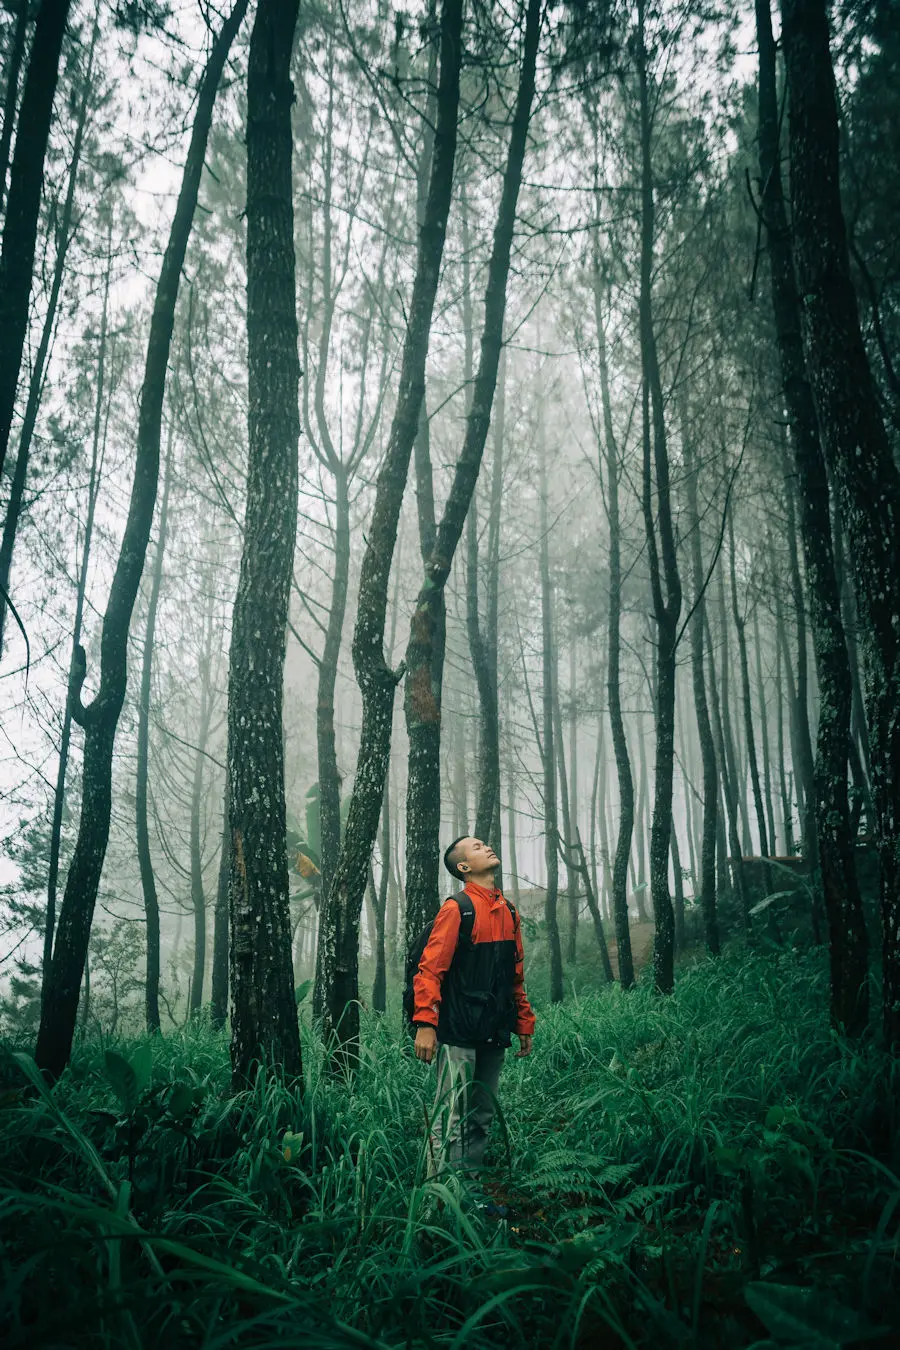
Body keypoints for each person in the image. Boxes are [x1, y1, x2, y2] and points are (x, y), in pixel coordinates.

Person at [412, 835, 535, 1184]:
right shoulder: (457, 908)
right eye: (478, 847)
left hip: (494, 1029)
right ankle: (439, 1202)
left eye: (485, 844)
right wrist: (426, 1023)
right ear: (463, 867)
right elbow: (430, 969)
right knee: (451, 1114)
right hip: (458, 1030)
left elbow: (515, 973)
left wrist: (523, 1021)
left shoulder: (509, 910)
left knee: (481, 1117)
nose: (488, 847)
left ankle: (469, 1194)